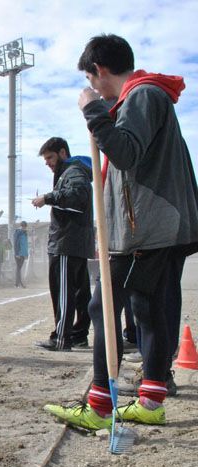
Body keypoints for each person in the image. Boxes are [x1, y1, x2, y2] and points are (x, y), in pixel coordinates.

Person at [44, 34, 198, 430]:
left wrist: (93, 110)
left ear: (99, 71)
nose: (94, 89)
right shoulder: (141, 98)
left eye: (93, 81)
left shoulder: (143, 96)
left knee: (101, 307)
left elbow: (126, 153)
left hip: (148, 230)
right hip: (155, 226)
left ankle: (98, 407)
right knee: (148, 309)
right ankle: (150, 400)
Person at [32, 137, 94, 351]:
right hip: (73, 242)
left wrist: (47, 198)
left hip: (67, 242)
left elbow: (78, 198)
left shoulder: (73, 172)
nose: (48, 163)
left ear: (62, 153)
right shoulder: (74, 172)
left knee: (64, 292)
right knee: (80, 293)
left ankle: (62, 338)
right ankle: (78, 335)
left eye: (50, 157)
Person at [13, 221, 29, 288]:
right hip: (18, 253)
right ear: (21, 226)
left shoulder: (24, 233)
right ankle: (18, 283)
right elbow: (16, 243)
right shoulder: (18, 233)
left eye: (24, 227)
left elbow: (25, 245)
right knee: (18, 268)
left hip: (22, 253)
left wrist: (26, 254)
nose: (24, 228)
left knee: (19, 268)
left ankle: (18, 283)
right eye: (23, 227)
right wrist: (17, 253)